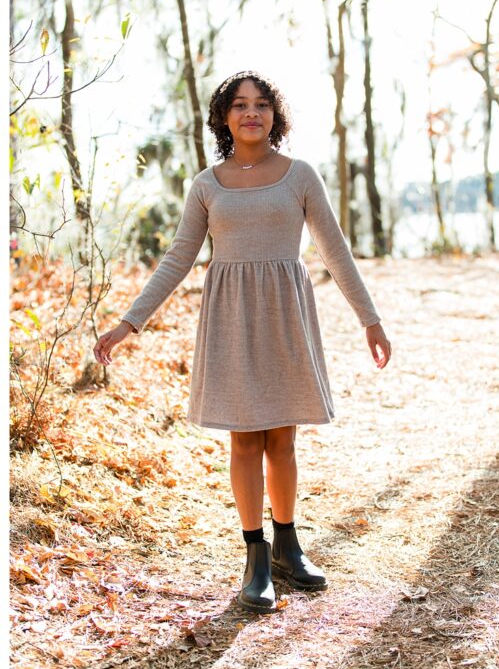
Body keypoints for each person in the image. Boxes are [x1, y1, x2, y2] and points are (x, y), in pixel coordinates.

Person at [92, 71, 392, 615]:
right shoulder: (207, 184)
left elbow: (334, 248)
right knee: (244, 442)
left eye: (260, 104)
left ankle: (288, 546)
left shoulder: (300, 176)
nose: (250, 113)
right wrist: (127, 324)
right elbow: (177, 258)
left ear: (275, 115)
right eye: (239, 105)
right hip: (231, 319)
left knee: (284, 439)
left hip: (285, 316)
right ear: (224, 117)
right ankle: (255, 558)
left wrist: (369, 318)